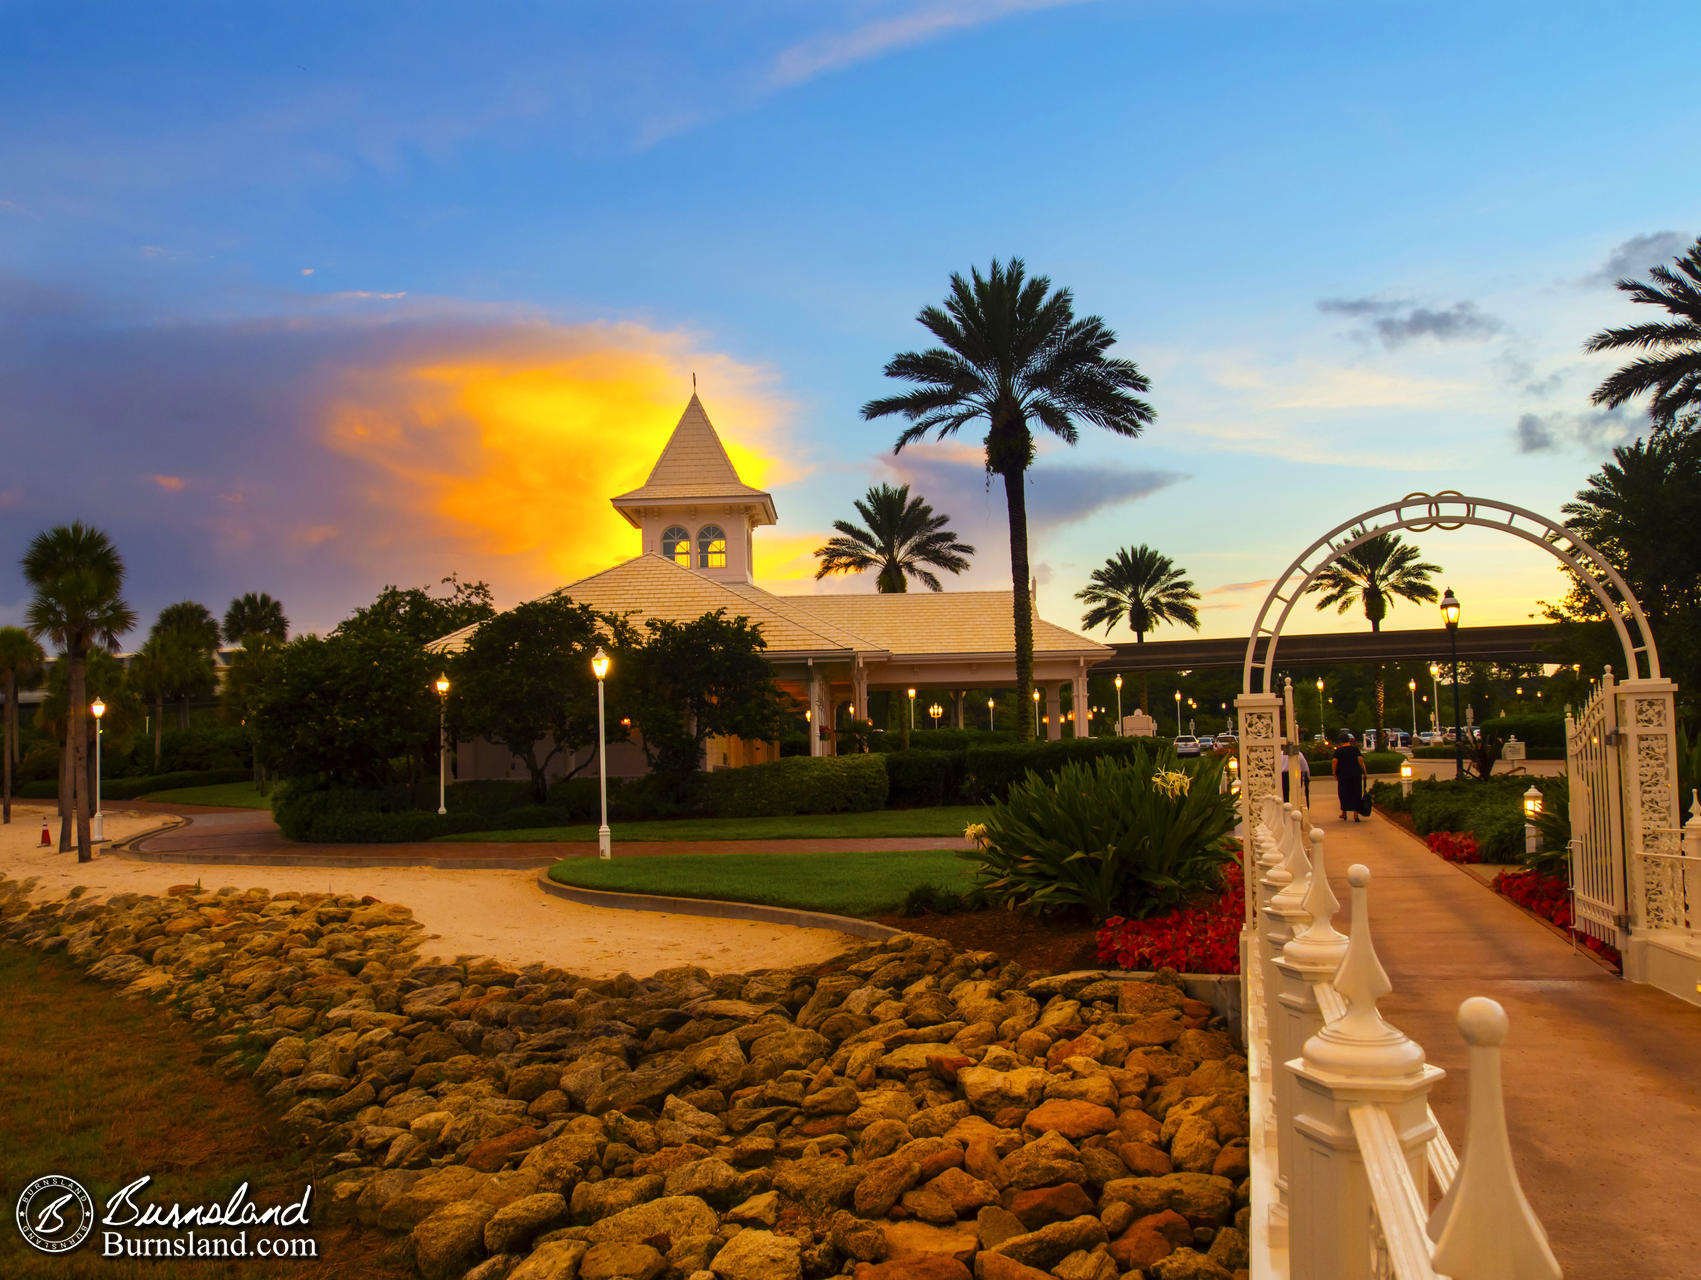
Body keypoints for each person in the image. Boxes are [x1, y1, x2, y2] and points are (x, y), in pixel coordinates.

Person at [1331, 730, 1364, 822]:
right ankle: (1356, 815)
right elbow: (1360, 760)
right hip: (1355, 774)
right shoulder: (1355, 749)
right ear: (1349, 740)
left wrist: (1334, 772)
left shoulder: (1338, 750)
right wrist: (1364, 771)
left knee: (1343, 793)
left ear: (1340, 741)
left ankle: (1344, 813)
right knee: (1356, 792)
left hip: (1343, 775)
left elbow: (1334, 761)